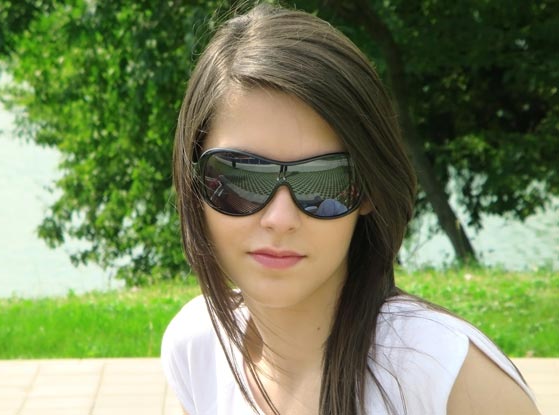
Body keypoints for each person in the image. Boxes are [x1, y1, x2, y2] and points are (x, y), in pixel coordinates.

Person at [162, 3, 540, 414]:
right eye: (241, 176)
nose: (280, 219)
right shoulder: (198, 348)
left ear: (370, 189)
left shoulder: (447, 377)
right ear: (193, 181)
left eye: (324, 179)